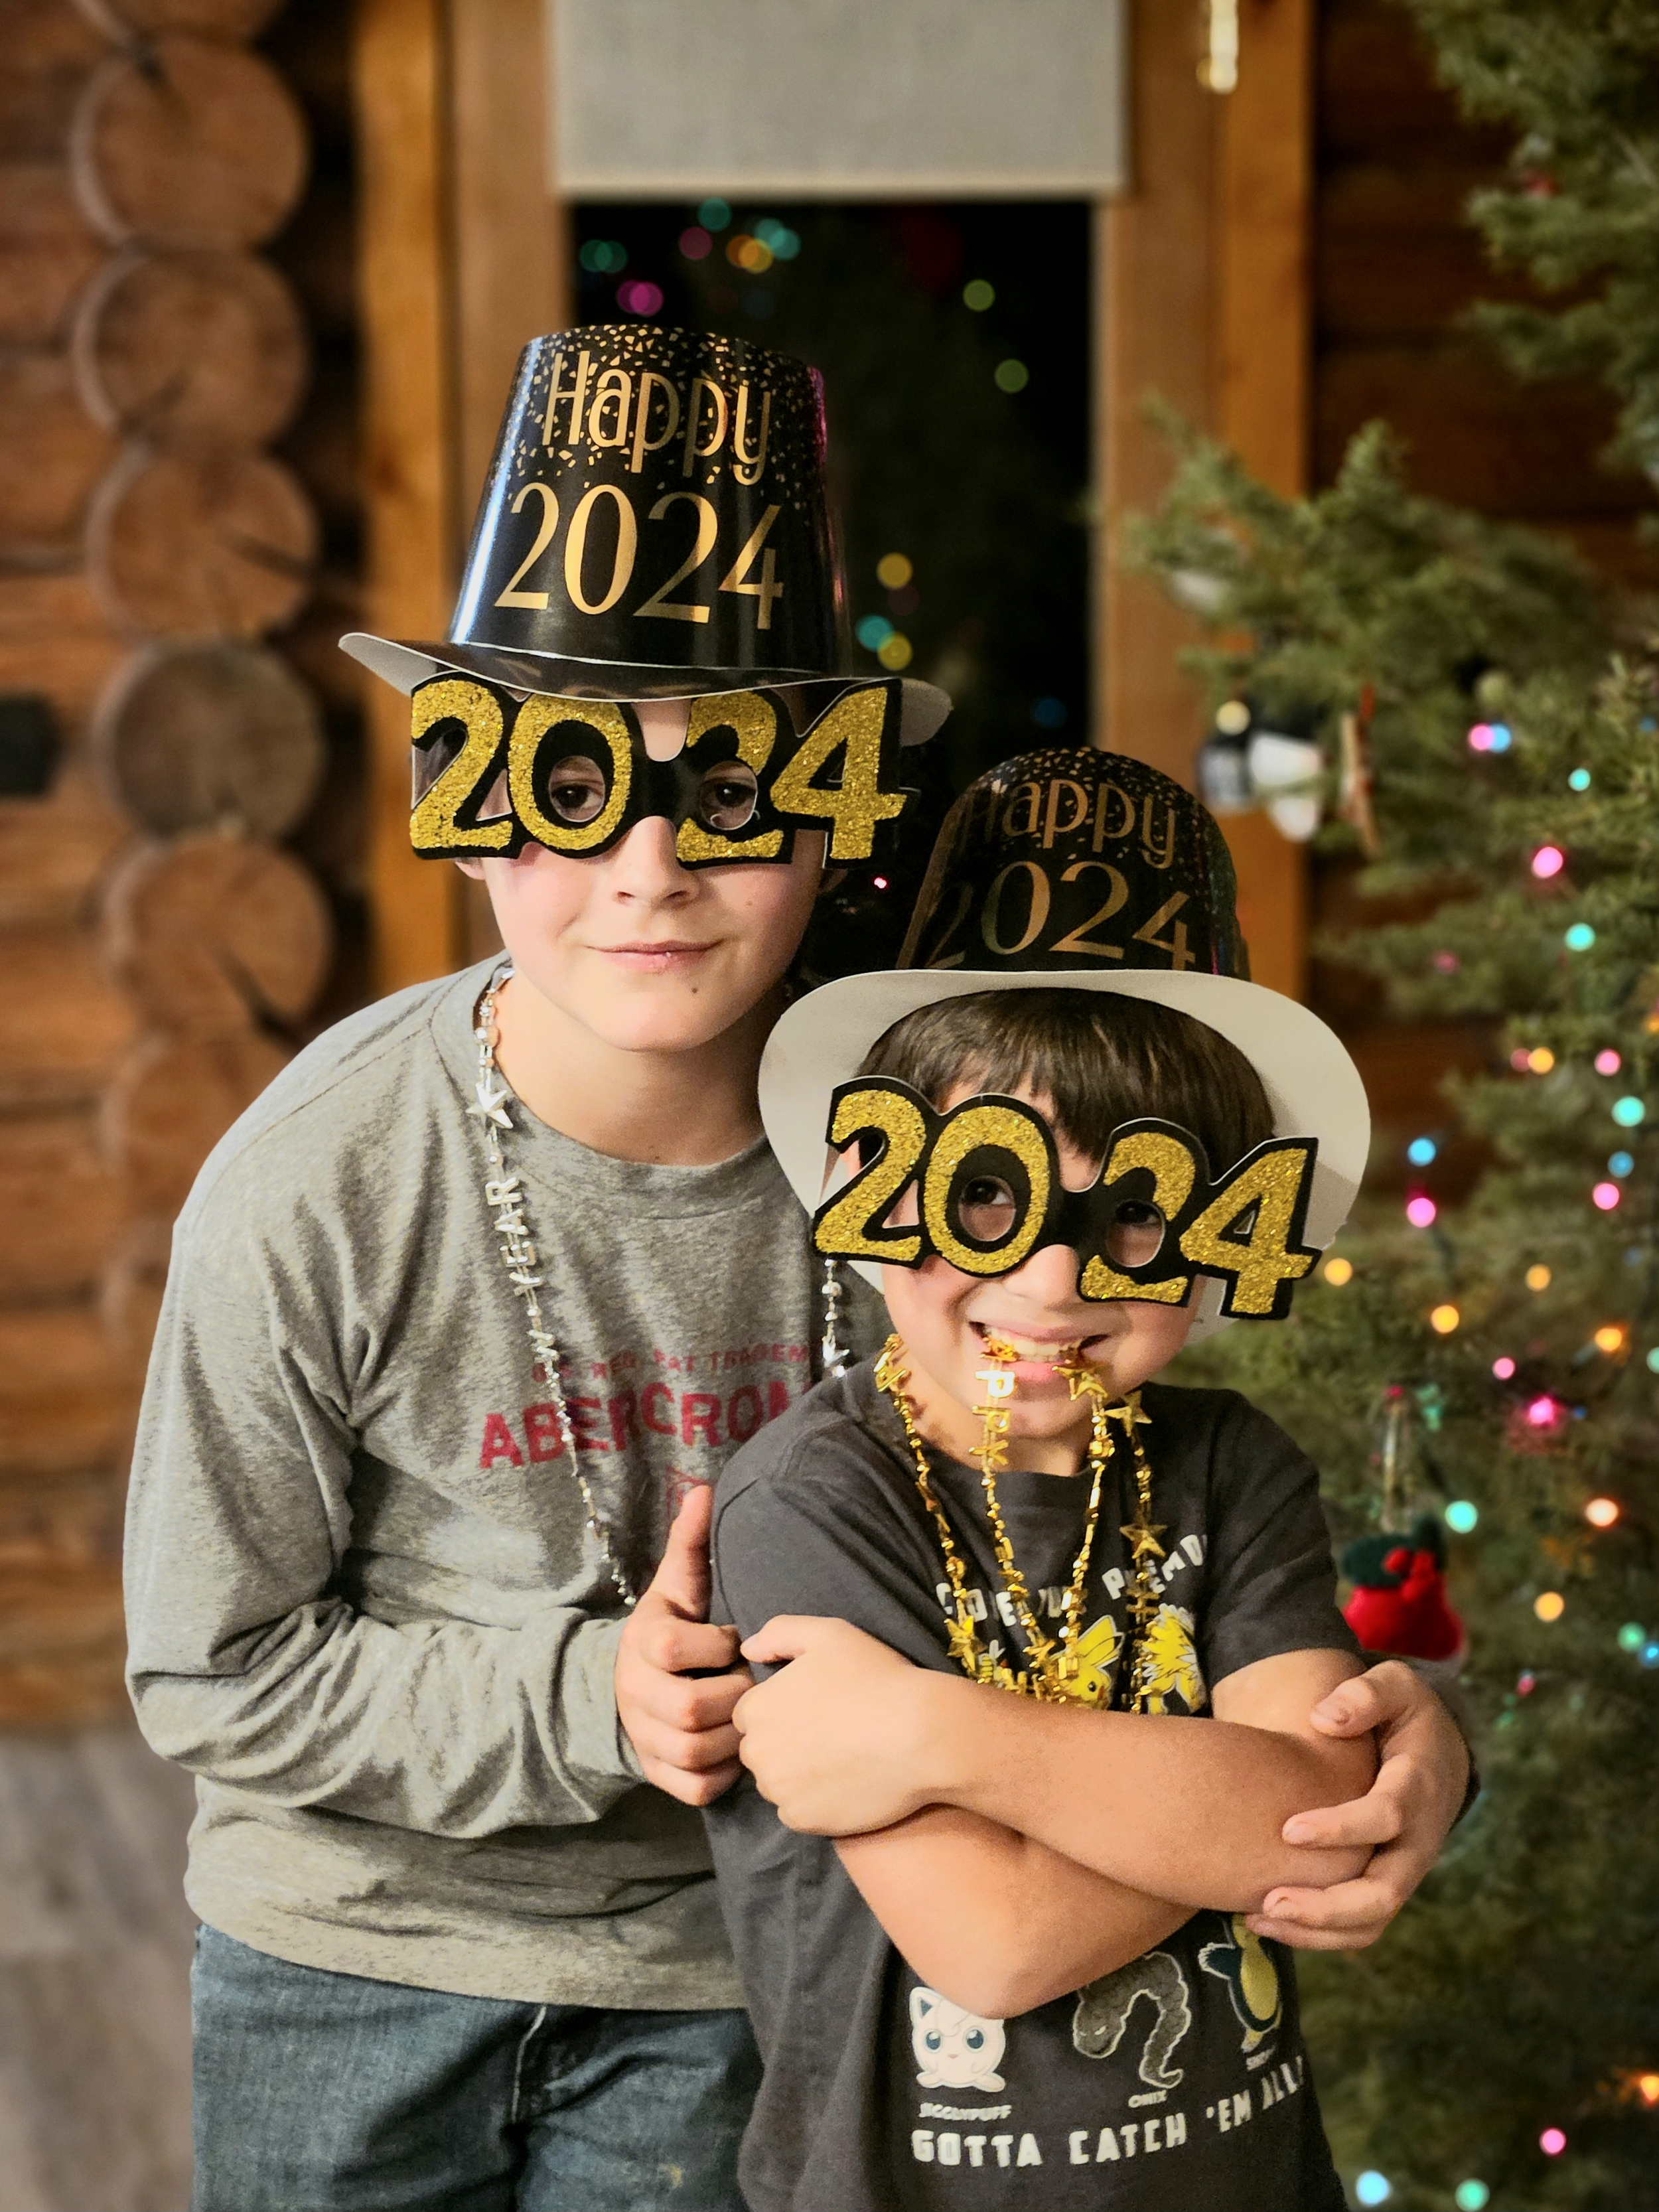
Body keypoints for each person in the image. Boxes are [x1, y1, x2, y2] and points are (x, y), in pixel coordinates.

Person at [124, 325, 1463, 2211]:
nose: (651, 866)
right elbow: (214, 1668)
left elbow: (1176, 1448)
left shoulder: (942, 1131)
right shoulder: (317, 1179)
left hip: (745, 1976)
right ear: (465, 792)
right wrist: (593, 1695)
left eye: (736, 786)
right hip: (352, 1957)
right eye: (569, 777)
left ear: (830, 811)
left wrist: (1391, 1735)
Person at [703, 745, 1473, 2211]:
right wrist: (1227, 1805)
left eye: (1134, 1209)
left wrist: (932, 1727)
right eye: (981, 1191)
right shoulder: (811, 1500)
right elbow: (991, 1941)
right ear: (872, 1199)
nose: (1048, 1282)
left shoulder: (1228, 1464)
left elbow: (1309, 1807)